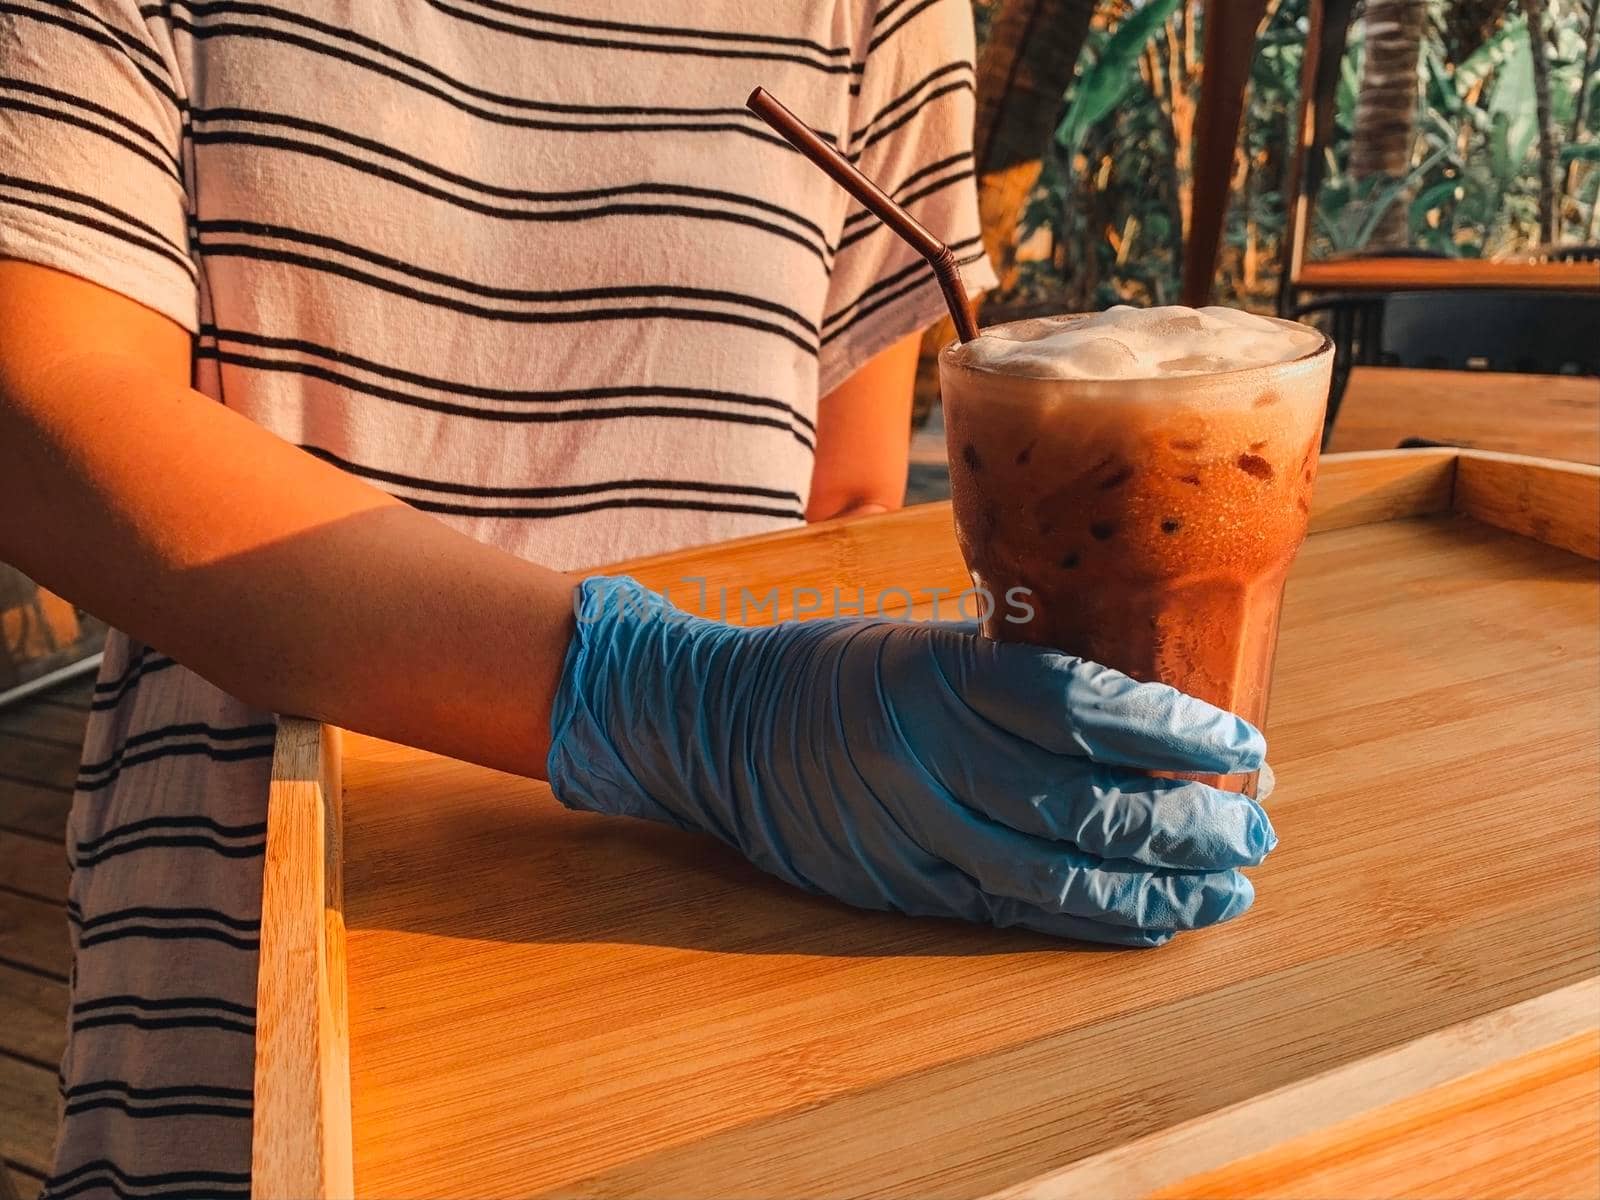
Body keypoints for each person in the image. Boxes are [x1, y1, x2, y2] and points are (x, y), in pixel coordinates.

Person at [0, 1, 1274, 1191]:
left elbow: (845, 495)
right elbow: (36, 403)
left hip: (728, 947)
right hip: (268, 950)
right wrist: (688, 708)